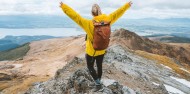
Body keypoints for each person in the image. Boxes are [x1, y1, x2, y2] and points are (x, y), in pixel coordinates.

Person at [60, 1, 132, 92]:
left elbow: (75, 16)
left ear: (92, 13)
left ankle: (98, 83)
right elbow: (118, 12)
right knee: (99, 66)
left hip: (91, 51)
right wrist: (127, 5)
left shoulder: (88, 23)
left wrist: (64, 7)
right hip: (102, 49)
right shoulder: (108, 19)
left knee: (90, 67)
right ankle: (99, 81)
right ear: (100, 11)